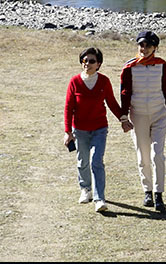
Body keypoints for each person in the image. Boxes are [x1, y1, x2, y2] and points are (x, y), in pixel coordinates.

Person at [63, 47, 129, 213]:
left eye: (92, 61)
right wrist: (67, 132)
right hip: (80, 130)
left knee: (96, 161)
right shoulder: (74, 82)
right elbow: (68, 107)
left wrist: (123, 119)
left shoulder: (104, 81)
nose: (87, 64)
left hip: (99, 128)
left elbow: (112, 102)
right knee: (82, 162)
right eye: (84, 61)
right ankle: (85, 189)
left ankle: (99, 199)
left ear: (98, 64)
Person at [119, 30, 166, 212]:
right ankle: (147, 191)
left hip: (159, 114)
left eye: (148, 46)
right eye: (141, 45)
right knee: (143, 156)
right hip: (138, 116)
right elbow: (125, 92)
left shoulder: (161, 64)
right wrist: (124, 117)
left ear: (155, 48)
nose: (144, 49)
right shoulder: (129, 67)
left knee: (157, 154)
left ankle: (159, 194)